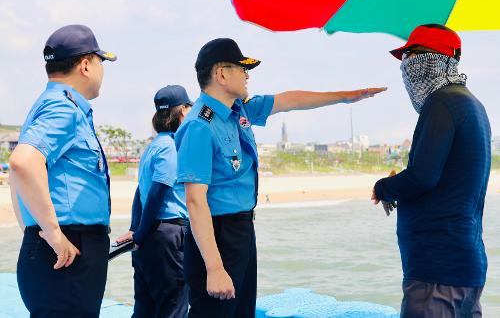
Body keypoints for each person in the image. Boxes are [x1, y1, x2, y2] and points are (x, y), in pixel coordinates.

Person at [175, 37, 387, 317]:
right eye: (241, 68)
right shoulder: (199, 126)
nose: (247, 75)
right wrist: (214, 269)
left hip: (241, 230)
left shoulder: (241, 110)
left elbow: (290, 100)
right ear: (222, 74)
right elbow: (195, 201)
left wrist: (346, 96)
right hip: (215, 235)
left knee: (241, 311)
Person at [372, 24, 491, 317]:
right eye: (405, 59)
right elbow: (449, 176)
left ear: (444, 60)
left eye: (415, 55)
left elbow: (422, 177)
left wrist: (384, 187)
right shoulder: (472, 105)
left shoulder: (442, 103)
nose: (408, 65)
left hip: (438, 269)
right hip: (465, 264)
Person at [9, 24, 116, 317]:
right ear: (85, 65)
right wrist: (53, 233)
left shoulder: (46, 104)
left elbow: (18, 176)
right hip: (67, 253)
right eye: (100, 62)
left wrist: (35, 230)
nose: (101, 71)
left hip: (56, 250)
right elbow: (22, 163)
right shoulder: (63, 108)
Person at [115, 85, 193, 318]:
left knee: (146, 308)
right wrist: (138, 234)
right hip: (167, 235)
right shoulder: (171, 147)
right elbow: (157, 192)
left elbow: (141, 192)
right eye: (189, 107)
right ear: (182, 112)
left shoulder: (154, 145)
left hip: (151, 234)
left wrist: (136, 228)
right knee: (174, 307)